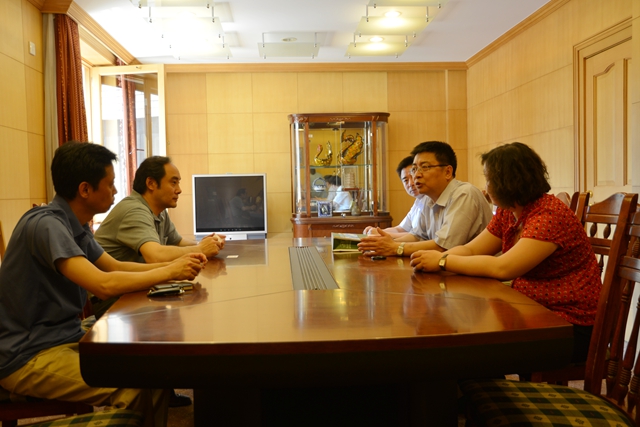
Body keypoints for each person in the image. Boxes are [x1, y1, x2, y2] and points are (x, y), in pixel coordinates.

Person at [0, 142, 206, 427]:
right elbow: (103, 284)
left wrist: (174, 269)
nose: (116, 191)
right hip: (27, 355)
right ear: (85, 189)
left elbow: (115, 266)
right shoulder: (47, 225)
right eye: (110, 184)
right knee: (133, 386)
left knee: (155, 372)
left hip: (63, 338)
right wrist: (170, 271)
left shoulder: (76, 225)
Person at [409, 142, 601, 363]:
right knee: (463, 336)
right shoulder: (508, 212)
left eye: (489, 179)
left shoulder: (549, 214)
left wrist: (443, 262)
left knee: (465, 346)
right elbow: (472, 249)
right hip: (531, 310)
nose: (486, 186)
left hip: (568, 324)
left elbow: (503, 268)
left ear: (508, 181)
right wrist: (438, 258)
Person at [94, 156, 224, 407]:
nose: (179, 189)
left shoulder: (158, 212)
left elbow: (178, 243)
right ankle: (158, 386)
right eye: (173, 182)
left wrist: (209, 244)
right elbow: (154, 255)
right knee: (180, 307)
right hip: (113, 300)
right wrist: (200, 249)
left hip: (137, 287)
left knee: (187, 300)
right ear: (151, 184)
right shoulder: (134, 209)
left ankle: (163, 386)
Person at [358, 141, 493, 257]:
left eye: (425, 167)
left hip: (480, 273)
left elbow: (444, 247)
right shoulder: (427, 199)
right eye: (415, 169)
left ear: (447, 172)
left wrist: (395, 247)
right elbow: (417, 236)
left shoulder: (464, 194)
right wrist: (386, 244)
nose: (416, 175)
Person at [364, 155, 426, 239]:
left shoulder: (430, 200)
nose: (411, 183)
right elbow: (400, 229)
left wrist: (380, 234)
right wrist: (377, 231)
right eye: (405, 180)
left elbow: (419, 236)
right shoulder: (418, 202)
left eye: (413, 176)